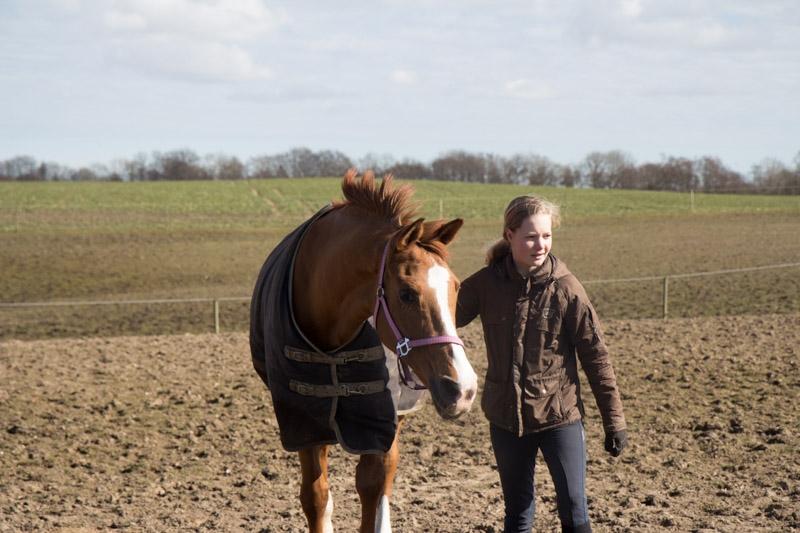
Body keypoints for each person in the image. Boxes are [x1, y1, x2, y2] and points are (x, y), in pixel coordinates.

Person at [456, 195, 627, 533]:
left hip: (558, 417)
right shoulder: (485, 284)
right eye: (531, 236)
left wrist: (614, 421)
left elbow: (597, 357)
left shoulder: (567, 289)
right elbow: (442, 317)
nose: (540, 245)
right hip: (506, 420)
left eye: (546, 236)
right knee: (517, 515)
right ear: (509, 235)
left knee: (574, 514)